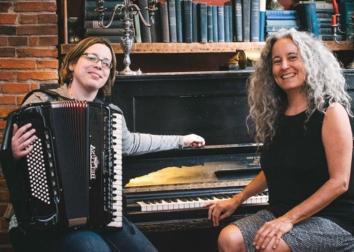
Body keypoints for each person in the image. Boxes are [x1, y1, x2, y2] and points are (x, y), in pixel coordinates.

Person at [5, 36, 205, 252]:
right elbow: (11, 164)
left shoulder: (111, 116)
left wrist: (180, 140)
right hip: (45, 221)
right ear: (72, 63)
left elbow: (134, 143)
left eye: (106, 63)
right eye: (92, 57)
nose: (99, 65)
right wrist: (13, 153)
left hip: (99, 215)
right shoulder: (39, 103)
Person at [207, 29, 354, 252]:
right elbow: (276, 168)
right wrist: (238, 199)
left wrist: (288, 220)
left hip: (332, 218)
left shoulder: (331, 111)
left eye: (292, 57)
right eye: (277, 61)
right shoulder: (275, 113)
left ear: (310, 61)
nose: (284, 66)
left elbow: (339, 182)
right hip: (283, 211)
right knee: (229, 239)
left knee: (272, 247)